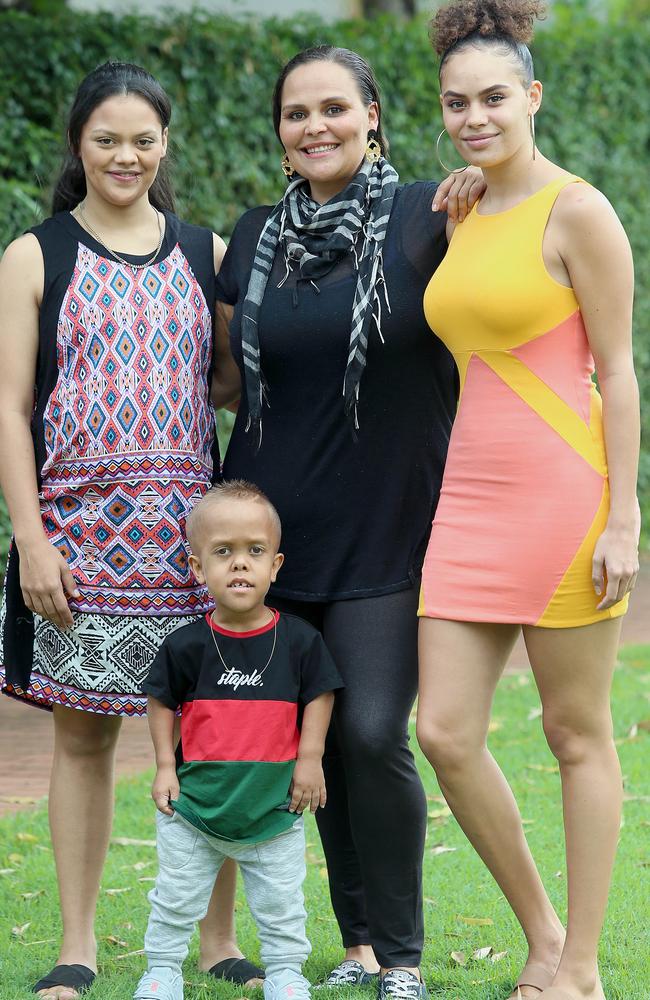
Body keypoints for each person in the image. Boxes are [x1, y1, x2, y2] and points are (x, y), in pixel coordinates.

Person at [211, 44, 486, 1000]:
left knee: (370, 732)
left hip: (394, 529)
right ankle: (359, 943)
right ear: (280, 135)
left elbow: (513, 294)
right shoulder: (249, 240)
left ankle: (403, 957)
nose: (315, 126)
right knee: (310, 743)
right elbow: (222, 382)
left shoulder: (432, 216)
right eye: (297, 113)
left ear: (374, 115)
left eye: (336, 107)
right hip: (274, 541)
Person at [0, 62, 257, 1000]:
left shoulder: (205, 251)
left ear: (165, 145)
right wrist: (31, 538)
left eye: (143, 138)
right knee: (82, 744)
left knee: (213, 737)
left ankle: (218, 940)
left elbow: (228, 380)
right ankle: (77, 946)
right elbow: (7, 403)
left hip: (189, 543)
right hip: (76, 540)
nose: (126, 154)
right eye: (107, 137)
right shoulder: (35, 256)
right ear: (79, 144)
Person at [416, 4, 640, 1000]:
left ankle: (580, 967)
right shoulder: (459, 206)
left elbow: (619, 370)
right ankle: (539, 931)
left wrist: (625, 517)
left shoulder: (579, 209)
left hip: (563, 502)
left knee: (573, 732)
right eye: (456, 102)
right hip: (464, 501)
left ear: (531, 95)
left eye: (493, 97)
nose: (473, 116)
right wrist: (475, 182)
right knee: (444, 733)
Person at [134, 480, 343, 1000]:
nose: (240, 565)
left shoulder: (299, 641)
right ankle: (161, 970)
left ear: (275, 565)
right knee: (177, 896)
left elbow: (320, 694)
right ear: (198, 568)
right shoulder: (186, 644)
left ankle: (286, 973)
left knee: (280, 900)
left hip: (274, 808)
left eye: (255, 552)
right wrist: (164, 766)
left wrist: (310, 759)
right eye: (223, 552)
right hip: (196, 809)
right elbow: (160, 701)